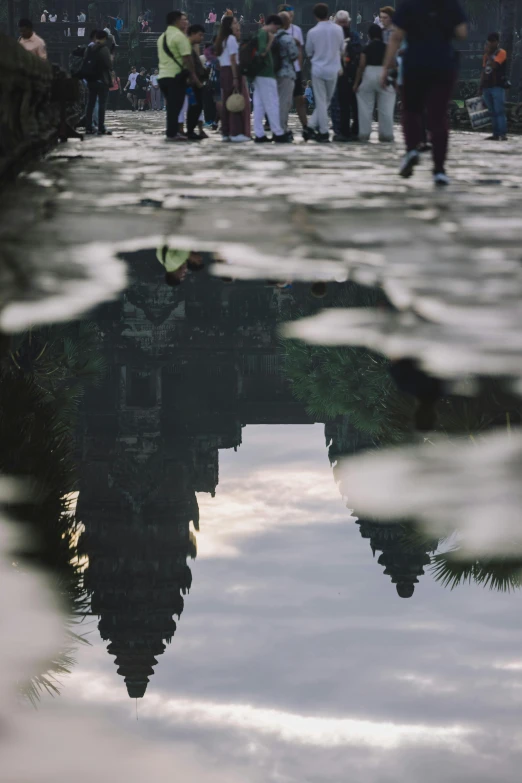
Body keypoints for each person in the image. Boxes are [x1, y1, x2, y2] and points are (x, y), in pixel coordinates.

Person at [382, 0, 467, 185]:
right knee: (438, 117)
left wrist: (386, 67)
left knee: (411, 110)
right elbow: (461, 33)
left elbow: (396, 36)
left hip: (415, 63)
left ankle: (412, 148)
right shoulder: (450, 5)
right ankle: (439, 170)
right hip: (443, 64)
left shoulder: (409, 5)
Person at [158, 10, 200, 142]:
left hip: (163, 76)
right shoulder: (179, 36)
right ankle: (172, 133)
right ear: (176, 21)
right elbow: (187, 58)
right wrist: (193, 76)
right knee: (176, 106)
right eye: (184, 19)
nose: (186, 22)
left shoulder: (162, 37)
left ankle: (172, 131)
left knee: (172, 106)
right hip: (176, 76)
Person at [305, 3, 344, 142]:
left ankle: (320, 130)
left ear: (315, 16)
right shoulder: (338, 30)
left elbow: (309, 52)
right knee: (326, 100)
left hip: (318, 69)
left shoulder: (312, 32)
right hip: (333, 69)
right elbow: (342, 49)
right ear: (328, 13)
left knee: (322, 101)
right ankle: (316, 128)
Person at [354, 23, 395, 142]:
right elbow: (392, 64)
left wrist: (356, 83)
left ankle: (364, 133)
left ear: (369, 35)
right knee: (386, 107)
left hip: (369, 73)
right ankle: (386, 134)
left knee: (365, 106)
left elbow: (361, 66)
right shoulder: (386, 47)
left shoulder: (366, 48)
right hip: (384, 73)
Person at [252, 14, 288, 143]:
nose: (276, 30)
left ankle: (259, 134)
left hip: (259, 75)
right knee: (272, 103)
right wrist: (271, 41)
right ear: (273, 24)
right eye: (277, 27)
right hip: (266, 74)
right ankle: (278, 132)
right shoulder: (264, 34)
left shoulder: (259, 33)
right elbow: (262, 52)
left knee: (259, 105)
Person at [215, 16, 251, 142]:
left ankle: (226, 131)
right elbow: (233, 59)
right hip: (232, 71)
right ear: (229, 26)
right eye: (235, 23)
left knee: (227, 102)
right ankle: (236, 132)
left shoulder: (221, 40)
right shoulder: (231, 39)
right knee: (236, 101)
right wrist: (236, 77)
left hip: (224, 72)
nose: (237, 25)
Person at [278, 5, 308, 134]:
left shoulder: (297, 30)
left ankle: (306, 126)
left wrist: (299, 69)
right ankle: (281, 126)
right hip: (282, 70)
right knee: (284, 100)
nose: (290, 17)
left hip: (295, 70)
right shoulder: (276, 31)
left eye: (291, 15)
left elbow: (300, 51)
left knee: (299, 99)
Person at [332, 10, 361, 141]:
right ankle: (341, 130)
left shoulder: (354, 36)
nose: (343, 25)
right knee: (339, 104)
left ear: (348, 22)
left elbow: (358, 51)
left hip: (352, 72)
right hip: (336, 73)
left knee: (354, 104)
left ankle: (355, 130)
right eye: (340, 23)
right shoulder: (331, 35)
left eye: (345, 22)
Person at [479, 32, 508, 141]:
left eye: (492, 42)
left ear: (497, 42)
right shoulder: (485, 56)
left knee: (499, 111)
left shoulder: (501, 52)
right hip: (487, 87)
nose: (490, 44)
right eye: (489, 42)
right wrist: (480, 87)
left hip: (497, 87)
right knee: (492, 111)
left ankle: (502, 133)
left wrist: (490, 54)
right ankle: (496, 133)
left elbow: (494, 65)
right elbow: (484, 71)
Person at [84, 29, 113, 135]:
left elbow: (85, 61)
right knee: (102, 104)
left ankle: (88, 126)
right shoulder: (104, 49)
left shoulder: (89, 48)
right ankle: (101, 126)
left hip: (91, 80)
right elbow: (109, 65)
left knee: (90, 103)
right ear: (104, 38)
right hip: (102, 80)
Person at [275, 12, 299, 137]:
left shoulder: (271, 36)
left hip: (273, 74)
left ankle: (276, 127)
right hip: (286, 73)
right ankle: (281, 129)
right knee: (285, 102)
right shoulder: (287, 38)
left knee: (276, 102)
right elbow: (294, 55)